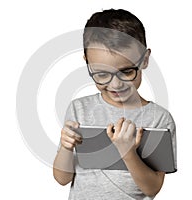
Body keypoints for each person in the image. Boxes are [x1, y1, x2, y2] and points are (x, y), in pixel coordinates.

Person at [53, 9, 177, 199]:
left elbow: (152, 188)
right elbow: (62, 178)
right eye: (102, 74)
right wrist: (66, 147)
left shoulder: (159, 119)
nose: (116, 84)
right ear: (88, 63)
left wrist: (128, 152)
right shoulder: (79, 109)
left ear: (144, 60)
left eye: (127, 71)